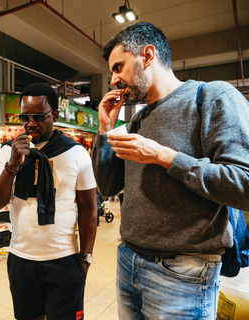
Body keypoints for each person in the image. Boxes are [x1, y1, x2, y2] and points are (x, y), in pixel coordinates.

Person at [92, 22, 249, 319]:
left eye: (118, 67)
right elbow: (108, 187)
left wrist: (164, 157)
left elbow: (243, 185)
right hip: (129, 260)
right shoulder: (138, 121)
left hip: (184, 274)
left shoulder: (212, 97)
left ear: (148, 55)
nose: (113, 80)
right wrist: (104, 130)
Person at [0, 83, 98, 320]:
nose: (30, 123)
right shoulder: (9, 151)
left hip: (64, 261)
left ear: (55, 116)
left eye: (38, 116)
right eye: (25, 116)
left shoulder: (76, 153)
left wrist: (85, 260)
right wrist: (13, 164)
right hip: (21, 260)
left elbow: (89, 209)